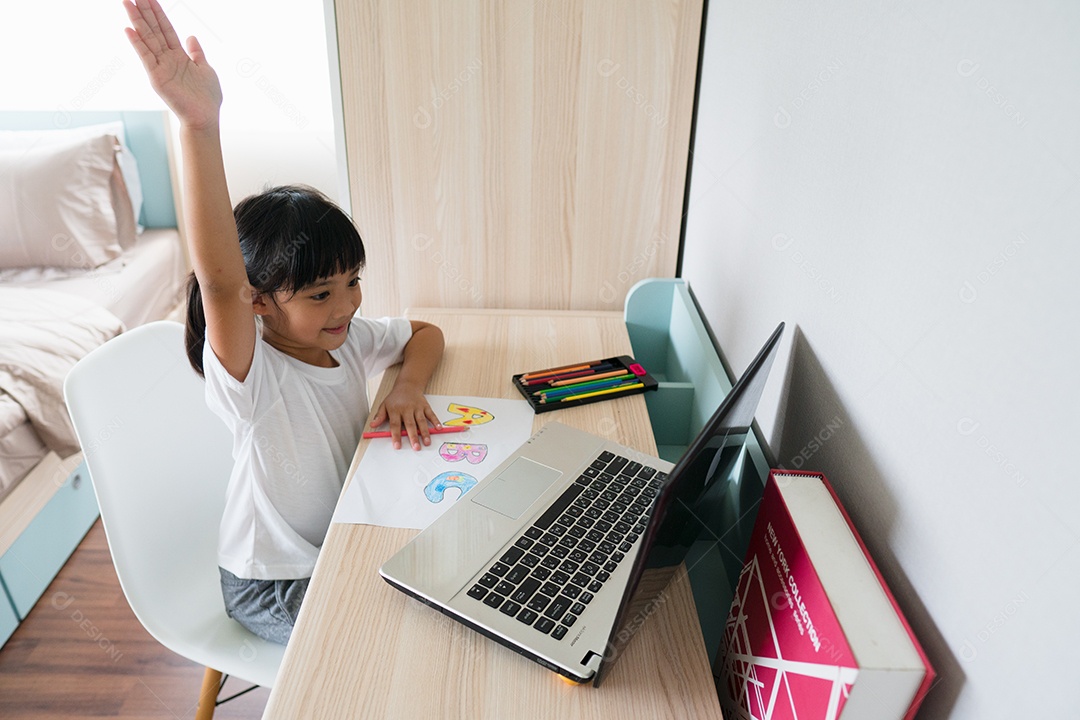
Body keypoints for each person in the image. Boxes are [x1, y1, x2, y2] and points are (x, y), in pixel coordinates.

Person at [123, 0, 445, 644]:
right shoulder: (252, 374)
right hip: (273, 581)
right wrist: (198, 126)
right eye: (322, 293)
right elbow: (218, 279)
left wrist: (408, 385)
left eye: (353, 282)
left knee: (443, 587)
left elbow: (423, 334)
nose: (348, 305)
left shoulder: (345, 339)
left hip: (347, 540)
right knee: (396, 639)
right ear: (260, 301)